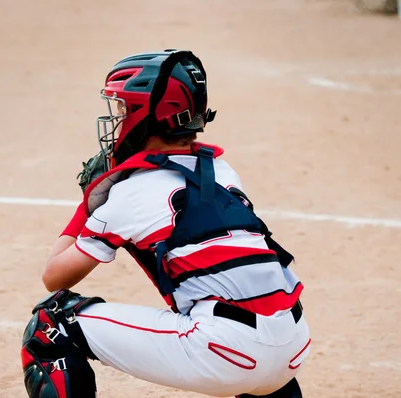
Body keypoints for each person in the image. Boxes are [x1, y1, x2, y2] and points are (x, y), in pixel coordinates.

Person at [20, 49, 311, 398]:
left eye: (124, 108)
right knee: (253, 342)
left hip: (227, 352)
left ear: (146, 116)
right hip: (291, 348)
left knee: (51, 324)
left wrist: (89, 205)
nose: (118, 117)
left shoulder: (134, 191)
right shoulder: (223, 173)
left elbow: (55, 276)